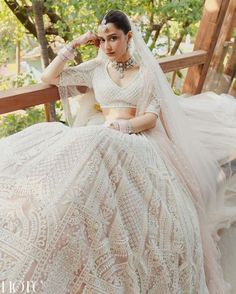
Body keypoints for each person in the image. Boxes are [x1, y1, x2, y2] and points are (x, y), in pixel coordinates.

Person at [0, 9, 235, 294]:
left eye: (114, 38)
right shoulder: (96, 69)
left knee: (102, 155)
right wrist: (75, 43)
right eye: (102, 39)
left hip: (135, 135)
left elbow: (150, 116)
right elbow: (51, 77)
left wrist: (122, 127)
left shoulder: (145, 71)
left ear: (129, 37)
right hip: (100, 132)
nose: (108, 45)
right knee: (76, 162)